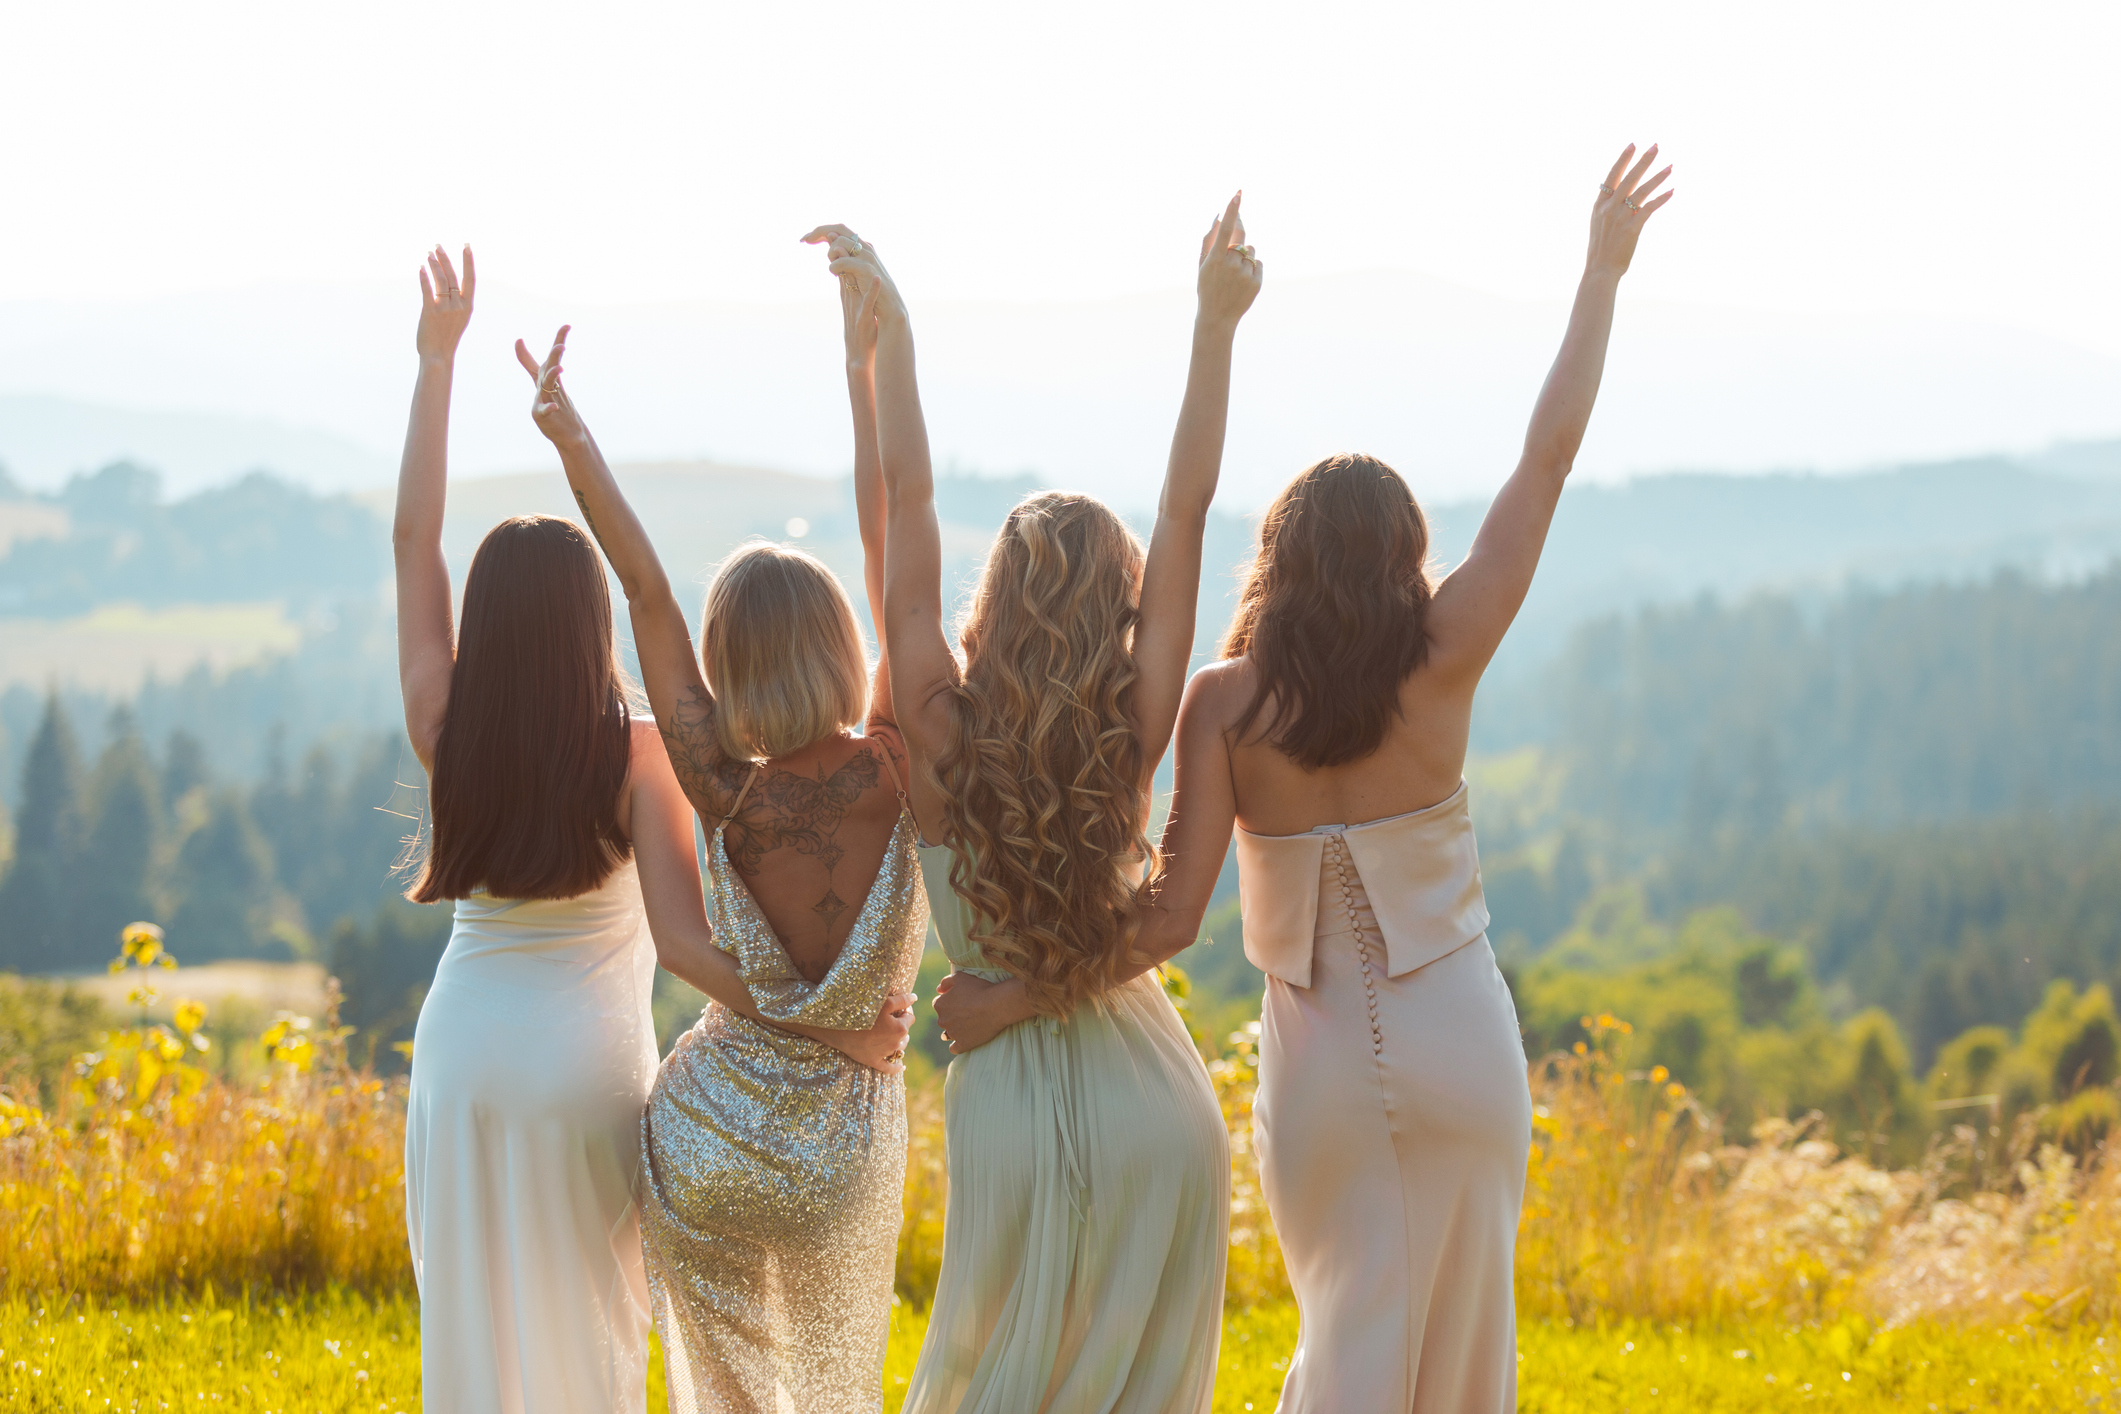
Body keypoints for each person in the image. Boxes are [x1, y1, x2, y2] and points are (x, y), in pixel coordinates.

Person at [986, 144, 1673, 1412]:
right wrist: (1601, 275)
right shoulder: (1445, 657)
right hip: (1463, 1045)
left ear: (1280, 559)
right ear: (1404, 554)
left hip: (1320, 1079)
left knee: (1345, 1337)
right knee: (1464, 1351)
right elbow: (1546, 461)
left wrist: (1016, 991)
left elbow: (1167, 922)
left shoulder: (1224, 704)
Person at [397, 246, 910, 1414]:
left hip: (460, 1054)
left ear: (487, 624)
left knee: (473, 1335)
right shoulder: (636, 754)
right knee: (593, 1339)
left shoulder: (444, 729)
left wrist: (435, 366)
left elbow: (412, 543)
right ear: (588, 628)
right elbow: (689, 944)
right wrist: (831, 1026)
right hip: (581, 1066)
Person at [826, 197, 1260, 1412]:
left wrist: (890, 346)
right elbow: (1187, 510)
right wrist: (1213, 325)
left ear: (996, 599)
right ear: (1119, 606)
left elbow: (900, 509)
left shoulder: (936, 726)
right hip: (1155, 1104)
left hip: (1010, 1105)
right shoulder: (1131, 727)